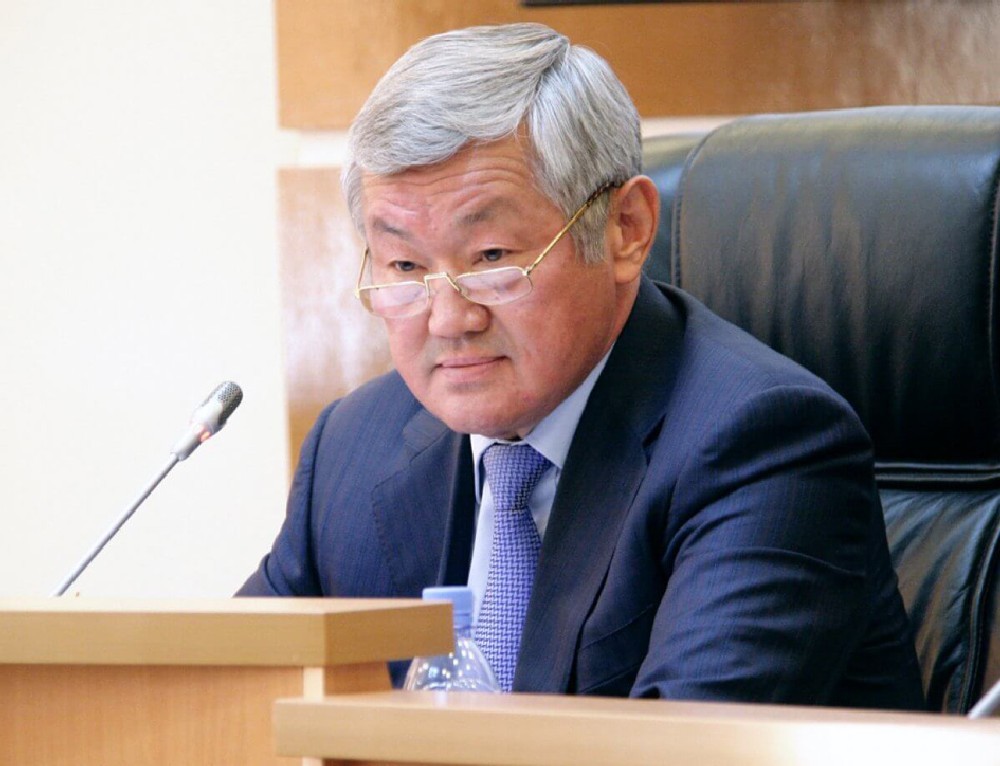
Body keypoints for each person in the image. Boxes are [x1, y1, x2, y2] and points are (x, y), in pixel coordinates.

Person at [239, 22, 925, 709]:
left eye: (491, 257)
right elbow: (233, 705)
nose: (448, 320)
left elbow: (676, 750)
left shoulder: (764, 448)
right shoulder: (353, 448)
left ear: (626, 229)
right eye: (404, 266)